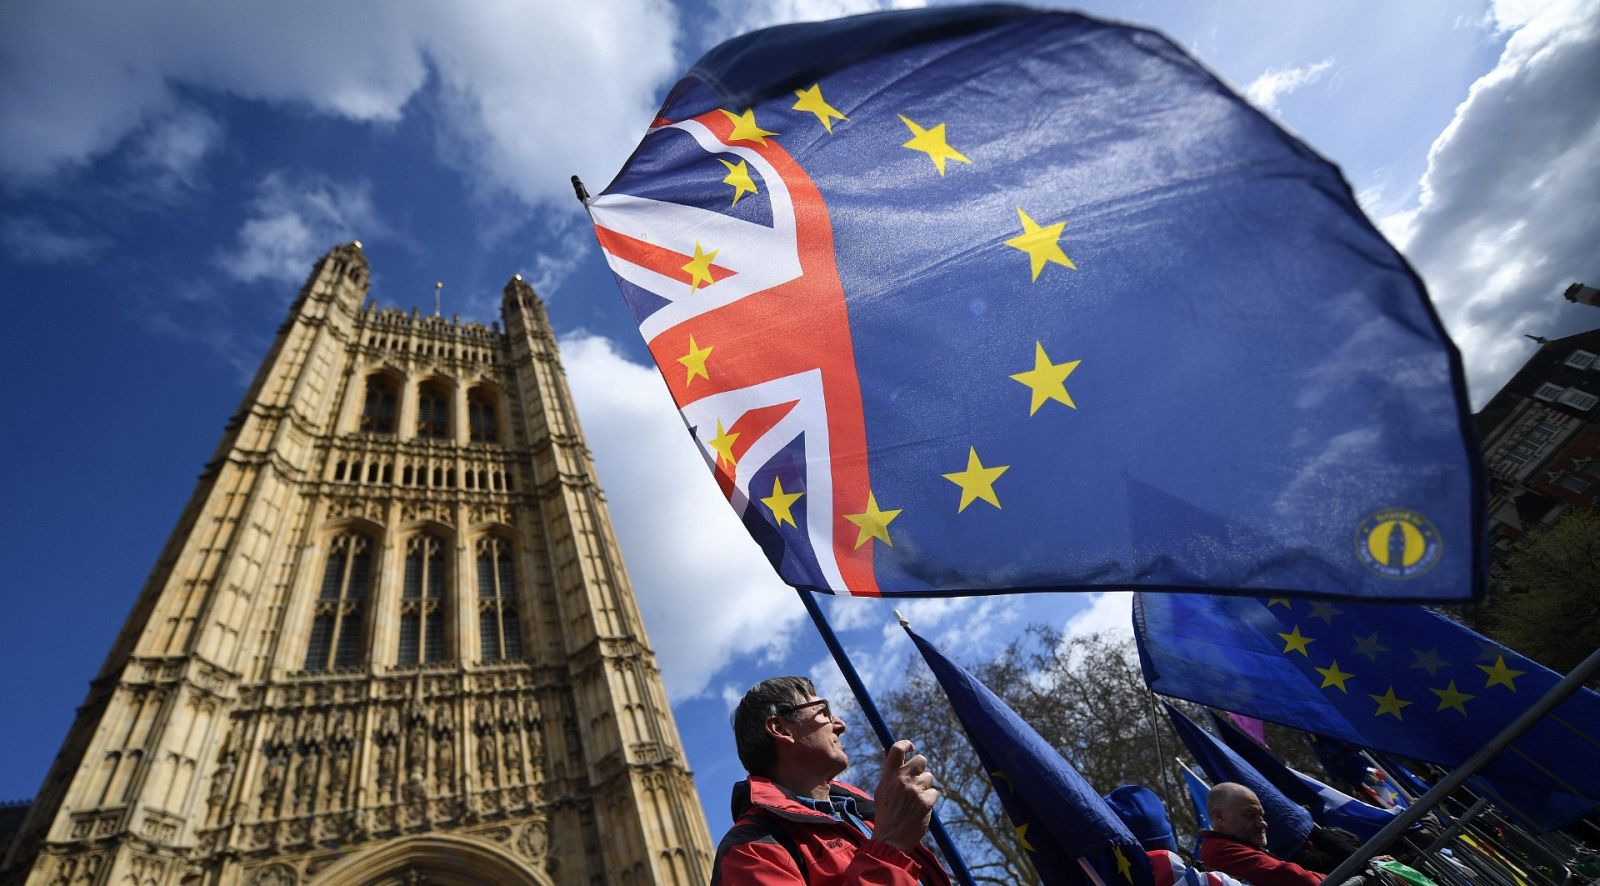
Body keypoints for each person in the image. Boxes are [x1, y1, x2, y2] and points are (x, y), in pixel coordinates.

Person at [712, 676, 951, 884]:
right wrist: (890, 845)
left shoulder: (868, 816)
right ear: (781, 729)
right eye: (824, 711)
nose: (841, 725)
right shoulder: (750, 850)